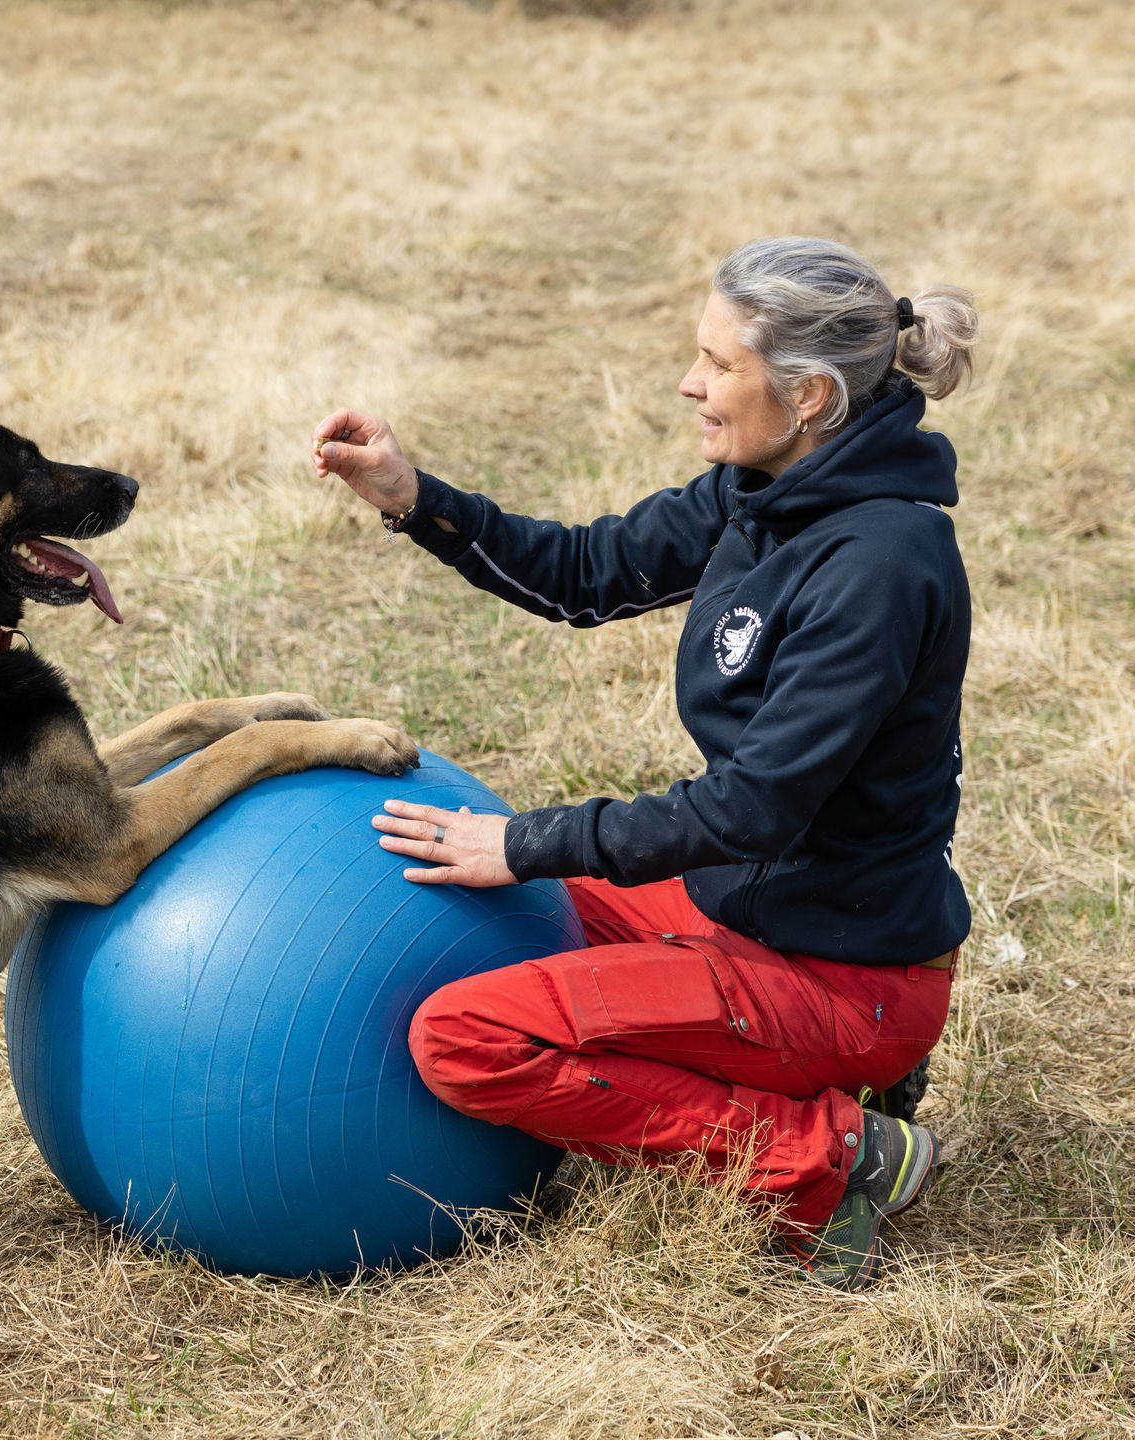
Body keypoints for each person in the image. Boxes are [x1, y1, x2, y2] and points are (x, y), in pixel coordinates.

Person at [310, 237, 979, 1290]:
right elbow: (584, 574)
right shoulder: (761, 487)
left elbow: (751, 806)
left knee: (466, 1038)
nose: (689, 382)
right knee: (509, 903)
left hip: (846, 974)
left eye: (717, 364)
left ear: (806, 395)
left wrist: (521, 841)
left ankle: (828, 1156)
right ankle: (833, 1098)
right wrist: (410, 496)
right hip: (751, 905)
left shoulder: (879, 566)